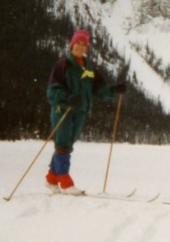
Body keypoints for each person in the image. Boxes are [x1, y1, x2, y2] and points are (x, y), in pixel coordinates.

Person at [45, 29, 126, 195]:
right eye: (78, 43)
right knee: (63, 144)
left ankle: (51, 179)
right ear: (71, 45)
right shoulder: (63, 65)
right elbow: (51, 91)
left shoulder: (90, 68)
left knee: (67, 144)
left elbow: (100, 90)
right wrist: (67, 97)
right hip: (63, 111)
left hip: (80, 112)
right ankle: (66, 183)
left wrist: (113, 90)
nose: (80, 47)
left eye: (84, 44)